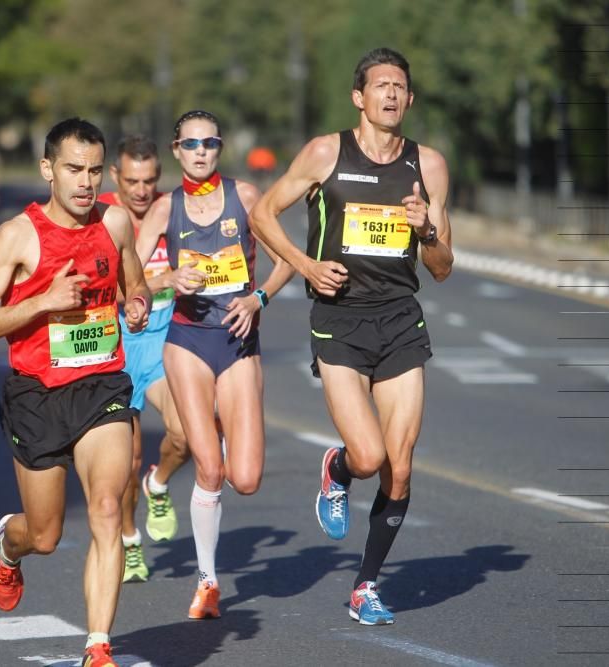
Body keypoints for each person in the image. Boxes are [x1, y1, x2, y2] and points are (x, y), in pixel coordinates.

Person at [248, 47, 454, 625]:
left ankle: (366, 584)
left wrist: (427, 229)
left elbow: (441, 266)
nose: (390, 94)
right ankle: (337, 470)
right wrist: (305, 267)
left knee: (402, 464)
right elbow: (264, 213)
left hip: (399, 318)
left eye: (400, 86)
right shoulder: (324, 152)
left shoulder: (428, 166)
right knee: (368, 456)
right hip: (337, 319)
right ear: (358, 97)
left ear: (409, 100)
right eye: (380, 85)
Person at [0, 118, 151, 667]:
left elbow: (132, 279)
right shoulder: (17, 236)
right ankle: (8, 546)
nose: (86, 182)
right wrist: (43, 301)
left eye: (94, 170)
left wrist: (137, 302)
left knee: (105, 505)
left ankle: (97, 646)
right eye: (73, 169)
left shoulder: (116, 222)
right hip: (37, 395)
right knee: (44, 536)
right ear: (48, 169)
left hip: (101, 386)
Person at [136, 110, 294, 619]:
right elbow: (130, 279)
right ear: (176, 151)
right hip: (186, 342)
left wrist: (259, 300)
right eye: (191, 144)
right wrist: (166, 281)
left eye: (210, 143)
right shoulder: (165, 208)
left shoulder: (246, 197)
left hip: (238, 341)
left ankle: (225, 420)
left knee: (244, 478)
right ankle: (207, 581)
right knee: (210, 466)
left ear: (219, 148)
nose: (201, 151)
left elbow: (288, 260)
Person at [98, 135, 191, 583]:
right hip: (113, 345)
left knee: (186, 433)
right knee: (126, 462)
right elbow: (97, 290)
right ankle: (131, 542)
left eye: (149, 180)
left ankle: (160, 484)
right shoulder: (101, 217)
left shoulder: (171, 209)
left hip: (161, 342)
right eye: (132, 180)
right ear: (116, 176)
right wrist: (160, 280)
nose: (141, 190)